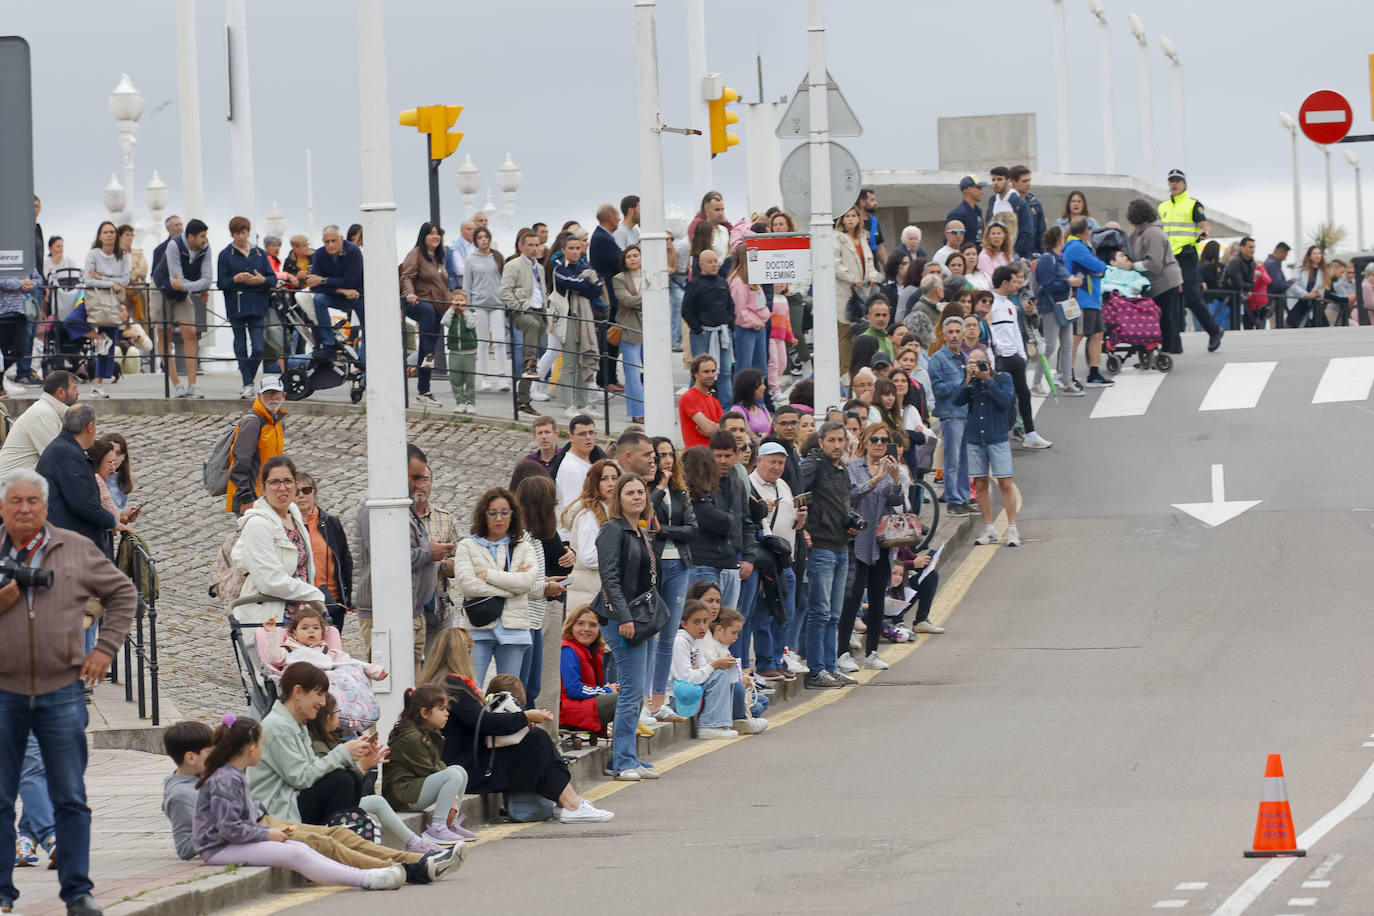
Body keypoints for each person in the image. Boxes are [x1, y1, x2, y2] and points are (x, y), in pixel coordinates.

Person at [0, 467, 137, 916]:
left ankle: (78, 893)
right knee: (1, 799)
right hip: (4, 691)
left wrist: (104, 650)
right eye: (15, 501)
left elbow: (123, 593)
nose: (24, 509)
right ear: (3, 508)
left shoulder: (74, 548)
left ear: (45, 507)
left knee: (71, 798)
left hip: (62, 689)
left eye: (32, 502)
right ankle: (3, 892)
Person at [161, 720, 450, 882]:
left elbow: (234, 820)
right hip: (248, 833)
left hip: (259, 825)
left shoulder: (225, 774)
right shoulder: (200, 786)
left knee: (334, 834)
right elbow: (202, 840)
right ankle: (397, 869)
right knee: (319, 843)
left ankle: (413, 860)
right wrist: (267, 833)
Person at [193, 715, 410, 892]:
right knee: (295, 854)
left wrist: (267, 832)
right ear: (251, 749)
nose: (262, 749)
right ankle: (365, 878)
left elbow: (238, 823)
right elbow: (229, 828)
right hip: (218, 848)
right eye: (261, 744)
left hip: (231, 842)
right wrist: (267, 834)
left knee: (299, 847)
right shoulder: (226, 779)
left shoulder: (233, 774)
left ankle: (368, 874)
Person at [427, 628, 613, 822]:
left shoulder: (438, 684)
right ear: (461, 654)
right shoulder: (456, 687)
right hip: (467, 770)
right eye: (469, 652)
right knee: (536, 740)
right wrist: (525, 717)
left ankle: (567, 802)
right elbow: (485, 723)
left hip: (458, 764)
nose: (472, 658)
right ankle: (571, 804)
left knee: (534, 741)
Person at [352, 445, 454, 662]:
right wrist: (429, 552)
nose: (419, 484)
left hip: (413, 613)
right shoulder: (375, 506)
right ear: (397, 471)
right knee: (391, 685)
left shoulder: (401, 502)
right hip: (384, 615)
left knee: (414, 689)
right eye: (415, 477)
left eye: (423, 477)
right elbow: (388, 558)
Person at [593, 474, 660, 780]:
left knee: (638, 689)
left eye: (640, 492)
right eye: (629, 492)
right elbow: (609, 578)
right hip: (620, 619)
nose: (637, 497)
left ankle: (629, 755)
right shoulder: (612, 529)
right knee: (632, 688)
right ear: (618, 498)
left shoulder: (640, 531)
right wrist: (624, 617)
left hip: (640, 619)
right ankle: (621, 761)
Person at [835, 424, 903, 674]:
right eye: (874, 439)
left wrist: (895, 478)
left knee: (877, 599)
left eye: (884, 440)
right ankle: (842, 652)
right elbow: (852, 496)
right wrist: (877, 478)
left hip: (882, 543)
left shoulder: (892, 469)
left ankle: (872, 652)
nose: (879, 444)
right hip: (857, 542)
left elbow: (897, 501)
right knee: (851, 599)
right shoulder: (852, 467)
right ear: (864, 441)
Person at [454, 486, 540, 682]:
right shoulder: (467, 546)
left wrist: (489, 576)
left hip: (514, 629)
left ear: (513, 515)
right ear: (483, 515)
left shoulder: (523, 547)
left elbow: (526, 583)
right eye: (493, 513)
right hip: (478, 627)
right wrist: (510, 589)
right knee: (472, 689)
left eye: (504, 513)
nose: (499, 518)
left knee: (508, 695)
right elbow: (467, 585)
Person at [798, 422, 860, 689]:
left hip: (841, 545)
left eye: (840, 440)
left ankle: (831, 668)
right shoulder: (814, 465)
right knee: (820, 613)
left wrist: (851, 522)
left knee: (834, 614)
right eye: (832, 440)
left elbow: (843, 505)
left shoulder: (842, 469)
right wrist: (804, 529)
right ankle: (816, 670)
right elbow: (797, 493)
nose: (837, 445)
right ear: (821, 441)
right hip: (821, 547)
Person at [229, 455, 326, 626]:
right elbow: (270, 581)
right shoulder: (258, 525)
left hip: (302, 618)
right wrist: (313, 594)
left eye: (288, 481)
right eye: (274, 482)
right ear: (263, 488)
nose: (282, 488)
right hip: (270, 620)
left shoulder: (294, 513)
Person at [382, 685, 473, 843]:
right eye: (442, 709)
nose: (447, 713)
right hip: (401, 794)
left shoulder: (425, 732)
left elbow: (436, 764)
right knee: (453, 774)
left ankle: (449, 824)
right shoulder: (411, 738)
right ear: (424, 713)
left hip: (412, 788)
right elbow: (429, 770)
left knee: (459, 770)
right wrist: (454, 801)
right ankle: (437, 827)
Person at [513, 475, 570, 707]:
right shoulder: (521, 539)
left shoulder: (536, 538)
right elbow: (520, 584)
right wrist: (546, 587)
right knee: (522, 687)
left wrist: (545, 581)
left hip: (535, 621)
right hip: (523, 621)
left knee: (533, 686)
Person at [749, 441, 804, 680]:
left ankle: (777, 658)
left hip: (785, 560)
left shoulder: (783, 485)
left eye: (781, 462)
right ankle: (765, 662)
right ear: (759, 461)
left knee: (785, 614)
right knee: (765, 614)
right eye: (772, 461)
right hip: (764, 561)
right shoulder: (750, 485)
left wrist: (800, 519)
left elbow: (791, 524)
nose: (777, 467)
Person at [957, 349, 1020, 547]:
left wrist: (987, 380)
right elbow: (956, 401)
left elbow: (1006, 401)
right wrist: (968, 379)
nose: (976, 367)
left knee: (1006, 483)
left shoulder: (1003, 378)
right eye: (972, 363)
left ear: (989, 363)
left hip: (997, 438)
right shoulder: (970, 383)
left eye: (979, 363)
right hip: (975, 439)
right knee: (981, 483)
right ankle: (989, 527)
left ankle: (1012, 528)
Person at [35, 406, 115, 557]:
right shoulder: (67, 453)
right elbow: (83, 503)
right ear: (90, 427)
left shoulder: (63, 447)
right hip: (65, 541)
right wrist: (113, 522)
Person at [1157, 169, 1223, 352]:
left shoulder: (1192, 204)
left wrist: (1205, 232)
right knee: (1169, 299)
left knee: (1192, 297)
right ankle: (1174, 343)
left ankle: (1214, 330)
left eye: (1178, 180)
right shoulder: (1162, 207)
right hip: (1168, 257)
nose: (1174, 184)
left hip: (1187, 255)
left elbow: (1204, 224)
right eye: (1171, 181)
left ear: (1184, 184)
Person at [988, 265, 1051, 449]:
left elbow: (1015, 330)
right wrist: (997, 351)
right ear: (1005, 282)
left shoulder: (1009, 304)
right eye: (1013, 280)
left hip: (1015, 357)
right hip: (1001, 358)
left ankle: (1030, 433)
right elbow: (991, 329)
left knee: (1024, 394)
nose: (1017, 284)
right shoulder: (991, 302)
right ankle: (998, 436)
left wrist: (1021, 354)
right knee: (1002, 398)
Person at [216, 217, 276, 399]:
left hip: (258, 305)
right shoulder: (225, 255)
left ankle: (247, 379)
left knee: (258, 347)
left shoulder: (259, 254)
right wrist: (236, 279)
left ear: (248, 232)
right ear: (232, 234)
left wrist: (262, 280)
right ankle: (248, 382)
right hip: (237, 305)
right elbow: (221, 283)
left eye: (244, 232)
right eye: (238, 233)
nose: (242, 237)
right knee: (240, 345)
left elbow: (272, 278)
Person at [560, 460, 619, 633]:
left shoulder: (611, 512)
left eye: (615, 478)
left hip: (599, 593)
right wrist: (621, 559)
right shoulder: (591, 516)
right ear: (594, 483)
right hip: (589, 595)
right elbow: (589, 558)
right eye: (604, 479)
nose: (611, 483)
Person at [551, 230, 604, 414]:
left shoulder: (584, 266)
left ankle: (582, 403)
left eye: (577, 248)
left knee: (584, 359)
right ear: (564, 250)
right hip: (568, 317)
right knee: (570, 361)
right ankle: (568, 404)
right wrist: (587, 281)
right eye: (571, 248)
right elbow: (574, 284)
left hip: (585, 317)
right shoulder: (559, 269)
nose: (575, 252)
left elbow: (597, 289)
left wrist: (586, 283)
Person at [670, 600, 741, 738]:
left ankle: (724, 722)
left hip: (689, 691)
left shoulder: (696, 639)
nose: (702, 627)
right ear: (684, 624)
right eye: (696, 622)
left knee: (724, 673)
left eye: (705, 621)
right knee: (718, 674)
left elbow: (701, 667)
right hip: (675, 697)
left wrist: (710, 667)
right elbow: (687, 678)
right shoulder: (680, 642)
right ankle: (710, 724)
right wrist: (714, 665)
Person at [292, 472, 352, 633]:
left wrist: (347, 599)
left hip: (331, 601)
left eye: (306, 490)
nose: (301, 495)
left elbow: (345, 560)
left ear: (314, 493)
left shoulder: (330, 523)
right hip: (300, 604)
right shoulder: (288, 527)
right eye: (296, 492)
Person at [400, 222, 451, 408]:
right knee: (428, 319)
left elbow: (443, 284)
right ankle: (430, 353)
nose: (435, 237)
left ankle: (424, 391)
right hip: (418, 302)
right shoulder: (416, 254)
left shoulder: (438, 258)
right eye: (431, 234)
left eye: (438, 234)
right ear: (424, 236)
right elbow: (407, 276)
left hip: (438, 307)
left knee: (424, 347)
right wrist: (409, 294)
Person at [498, 229, 552, 405]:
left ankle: (523, 399)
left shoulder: (540, 267)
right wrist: (519, 306)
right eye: (530, 245)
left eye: (537, 245)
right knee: (531, 331)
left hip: (539, 312)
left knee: (541, 347)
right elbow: (504, 291)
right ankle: (530, 363)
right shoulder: (513, 265)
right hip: (522, 312)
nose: (534, 248)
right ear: (522, 246)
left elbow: (541, 290)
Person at [1125, 198, 1185, 354]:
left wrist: (1132, 266)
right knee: (1165, 315)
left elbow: (1155, 263)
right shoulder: (1142, 232)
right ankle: (1173, 347)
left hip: (1164, 280)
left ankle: (1169, 350)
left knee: (1164, 316)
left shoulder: (1152, 233)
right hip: (1160, 280)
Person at [1032, 228, 1083, 397]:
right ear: (1059, 240)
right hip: (1051, 307)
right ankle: (1036, 382)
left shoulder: (1056, 259)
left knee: (1067, 345)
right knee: (1050, 345)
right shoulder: (1048, 259)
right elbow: (1047, 284)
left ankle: (1067, 381)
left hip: (1062, 307)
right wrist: (1068, 283)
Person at [929, 316, 972, 517]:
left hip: (965, 414)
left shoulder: (964, 357)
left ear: (963, 334)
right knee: (952, 460)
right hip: (951, 415)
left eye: (957, 332)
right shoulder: (938, 359)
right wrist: (963, 382)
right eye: (950, 332)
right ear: (944, 335)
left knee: (964, 459)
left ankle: (964, 497)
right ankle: (954, 501)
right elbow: (938, 389)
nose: (954, 336)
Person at [226, 376, 287, 516]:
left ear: (283, 395)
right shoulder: (252, 423)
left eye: (276, 393)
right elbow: (239, 464)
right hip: (252, 498)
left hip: (269, 495)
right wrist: (247, 498)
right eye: (268, 393)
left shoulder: (278, 422)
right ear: (260, 396)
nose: (272, 398)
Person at [81, 221, 129, 398]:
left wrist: (102, 276)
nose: (109, 235)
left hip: (112, 301)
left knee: (109, 341)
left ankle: (98, 384)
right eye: (105, 232)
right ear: (99, 236)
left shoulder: (123, 255)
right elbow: (88, 279)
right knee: (72, 320)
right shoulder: (93, 254)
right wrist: (111, 282)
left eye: (112, 232)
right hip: (94, 299)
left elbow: (125, 280)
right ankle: (98, 337)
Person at [1063, 219, 1111, 388]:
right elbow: (1097, 266)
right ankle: (1068, 373)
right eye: (1088, 229)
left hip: (1092, 299)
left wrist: (1099, 270)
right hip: (1081, 299)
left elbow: (1097, 268)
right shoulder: (1075, 246)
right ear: (1083, 231)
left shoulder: (1084, 246)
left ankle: (1094, 373)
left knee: (1097, 335)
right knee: (1077, 336)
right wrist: (1100, 269)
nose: (1090, 232)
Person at [0, 371, 77, 477]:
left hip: (21, 482)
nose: (77, 392)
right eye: (74, 388)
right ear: (61, 392)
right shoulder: (43, 413)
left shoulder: (48, 410)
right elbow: (59, 460)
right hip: (10, 487)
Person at [307, 226, 364, 362]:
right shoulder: (320, 254)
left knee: (366, 328)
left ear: (341, 239)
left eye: (334, 241)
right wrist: (340, 290)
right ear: (323, 241)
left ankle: (363, 364)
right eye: (327, 242)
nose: (331, 245)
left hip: (357, 296)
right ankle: (328, 345)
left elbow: (349, 281)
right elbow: (314, 287)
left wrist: (322, 280)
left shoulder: (353, 251)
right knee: (319, 299)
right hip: (337, 296)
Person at [834, 206, 881, 373]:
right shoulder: (837, 237)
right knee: (845, 332)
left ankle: (861, 367)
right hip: (845, 290)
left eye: (854, 216)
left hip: (863, 291)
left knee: (862, 331)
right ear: (842, 219)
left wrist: (873, 275)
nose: (851, 219)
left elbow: (869, 261)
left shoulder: (862, 237)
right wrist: (851, 278)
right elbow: (836, 264)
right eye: (847, 216)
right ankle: (845, 370)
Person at [681, 249, 734, 395]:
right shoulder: (694, 284)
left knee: (725, 370)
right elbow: (686, 309)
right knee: (699, 371)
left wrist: (730, 324)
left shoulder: (722, 282)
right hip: (703, 334)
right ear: (701, 264)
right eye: (710, 262)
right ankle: (694, 402)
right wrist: (698, 329)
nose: (714, 265)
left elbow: (730, 305)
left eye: (716, 261)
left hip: (723, 331)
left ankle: (726, 406)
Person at [559, 606, 617, 737]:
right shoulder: (567, 650)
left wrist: (613, 687)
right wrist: (606, 691)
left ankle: (624, 739)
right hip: (569, 711)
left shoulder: (591, 651)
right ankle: (622, 747)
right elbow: (574, 690)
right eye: (580, 624)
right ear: (571, 626)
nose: (586, 629)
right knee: (624, 698)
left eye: (593, 625)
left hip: (581, 706)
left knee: (629, 691)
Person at [465, 226, 508, 393]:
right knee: (482, 342)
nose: (483, 240)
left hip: (497, 303)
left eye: (485, 236)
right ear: (476, 241)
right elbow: (467, 285)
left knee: (499, 340)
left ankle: (503, 376)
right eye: (480, 237)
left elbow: (503, 280)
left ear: (489, 238)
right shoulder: (470, 260)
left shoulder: (497, 257)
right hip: (478, 304)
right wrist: (468, 306)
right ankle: (484, 377)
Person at [611, 245, 646, 422]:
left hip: (649, 327)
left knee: (654, 371)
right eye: (628, 256)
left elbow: (633, 300)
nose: (632, 259)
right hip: (629, 328)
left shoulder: (650, 274)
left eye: (635, 255)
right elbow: (625, 301)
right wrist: (647, 297)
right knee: (632, 371)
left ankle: (654, 408)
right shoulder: (619, 279)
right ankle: (638, 412)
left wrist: (635, 299)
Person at [554, 414, 599, 515]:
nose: (588, 437)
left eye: (591, 433)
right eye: (582, 434)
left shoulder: (590, 459)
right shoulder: (572, 470)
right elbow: (575, 510)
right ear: (571, 437)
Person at [679, 355, 724, 450]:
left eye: (713, 371)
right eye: (706, 372)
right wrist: (717, 428)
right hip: (695, 456)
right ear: (696, 374)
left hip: (714, 455)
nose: (711, 375)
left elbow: (725, 430)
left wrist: (715, 430)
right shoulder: (688, 397)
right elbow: (709, 429)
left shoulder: (714, 401)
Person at [849, 295, 896, 379]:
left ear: (889, 317)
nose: (881, 319)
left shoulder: (889, 341)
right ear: (869, 317)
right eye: (877, 315)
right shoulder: (863, 340)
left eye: (884, 315)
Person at [1286, 245, 1329, 329]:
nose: (1317, 255)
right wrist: (1305, 294)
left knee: (1311, 327)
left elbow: (1323, 288)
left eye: (1319, 253)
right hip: (1297, 303)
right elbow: (1292, 284)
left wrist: (1318, 293)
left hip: (1310, 305)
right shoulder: (1300, 267)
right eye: (1314, 253)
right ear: (1309, 256)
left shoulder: (1322, 271)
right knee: (1303, 327)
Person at [1222, 237, 1260, 330]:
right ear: (1242, 248)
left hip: (1239, 299)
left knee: (1237, 326)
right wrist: (1244, 285)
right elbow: (1238, 285)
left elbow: (1250, 286)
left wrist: (1244, 285)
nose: (1253, 250)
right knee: (1229, 327)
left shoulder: (1252, 263)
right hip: (1226, 300)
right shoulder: (1235, 261)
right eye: (1250, 247)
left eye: (1253, 247)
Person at [1009, 166, 1047, 258]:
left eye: (1029, 180)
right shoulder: (1008, 202)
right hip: (1014, 253)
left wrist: (1041, 253)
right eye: (1024, 181)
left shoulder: (1035, 203)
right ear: (1014, 182)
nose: (1028, 184)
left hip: (1033, 254)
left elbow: (1041, 231)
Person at [729, 368, 772, 438]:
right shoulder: (737, 410)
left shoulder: (762, 408)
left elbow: (772, 427)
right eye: (761, 384)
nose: (764, 387)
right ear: (751, 387)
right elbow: (747, 434)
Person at [948, 175, 987, 247]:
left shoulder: (978, 211)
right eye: (979, 188)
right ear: (969, 189)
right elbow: (950, 240)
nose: (982, 192)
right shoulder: (957, 214)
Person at [1262, 242, 1291, 328]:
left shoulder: (1270, 263)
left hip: (1273, 303)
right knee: (1275, 329)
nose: (1285, 258)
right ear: (1280, 252)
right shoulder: (1272, 264)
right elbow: (1278, 286)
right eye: (1285, 255)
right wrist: (1290, 283)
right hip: (1273, 303)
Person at [858, 189, 887, 265]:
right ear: (862, 202)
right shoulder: (853, 222)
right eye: (872, 200)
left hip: (874, 268)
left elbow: (880, 248)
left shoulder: (874, 222)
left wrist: (888, 269)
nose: (875, 203)